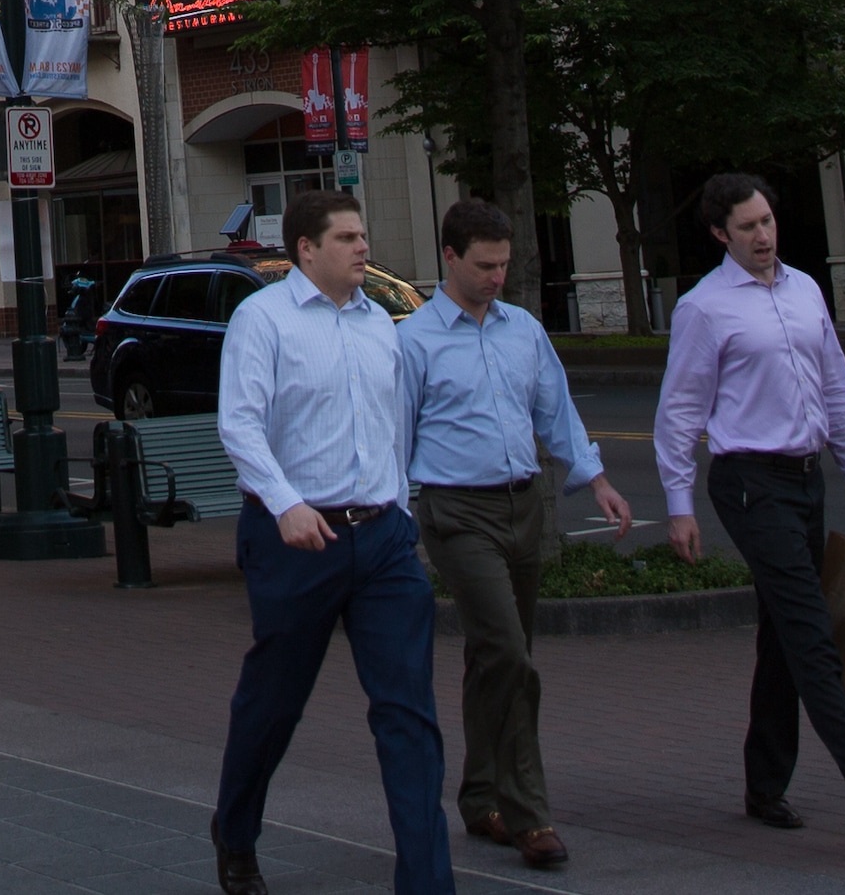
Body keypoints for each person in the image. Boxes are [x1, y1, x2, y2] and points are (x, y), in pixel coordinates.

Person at [656, 174, 845, 853]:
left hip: (805, 478)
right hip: (749, 482)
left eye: (768, 220)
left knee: (784, 634)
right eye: (748, 225)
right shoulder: (705, 307)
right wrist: (678, 503)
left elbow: (836, 387)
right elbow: (679, 412)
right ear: (721, 233)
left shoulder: (806, 288)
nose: (764, 233)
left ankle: (763, 783)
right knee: (813, 632)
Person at [206, 188, 449, 895]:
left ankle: (428, 883)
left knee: (408, 714)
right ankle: (236, 827)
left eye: (363, 235)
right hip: (294, 540)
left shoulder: (380, 324)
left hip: (382, 542)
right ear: (306, 249)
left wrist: (400, 508)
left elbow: (392, 426)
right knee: (274, 702)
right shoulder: (263, 320)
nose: (363, 248)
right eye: (347, 237)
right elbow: (240, 425)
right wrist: (285, 503)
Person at [400, 198, 632, 870]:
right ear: (450, 256)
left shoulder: (523, 329)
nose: (498, 275)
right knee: (510, 652)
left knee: (499, 654)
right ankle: (530, 812)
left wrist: (597, 479)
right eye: (484, 264)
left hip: (521, 503)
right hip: (455, 510)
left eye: (504, 263)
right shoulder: (414, 340)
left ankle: (479, 796)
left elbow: (554, 409)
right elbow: (396, 433)